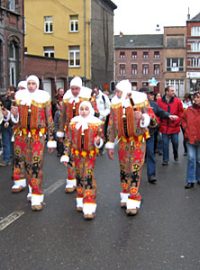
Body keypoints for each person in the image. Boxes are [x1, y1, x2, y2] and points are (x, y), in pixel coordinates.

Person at [10, 75, 56, 211]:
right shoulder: (19, 98)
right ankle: (29, 187)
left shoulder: (44, 98)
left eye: (33, 84)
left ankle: (36, 196)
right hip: (21, 135)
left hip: (37, 136)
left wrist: (51, 138)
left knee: (35, 164)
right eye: (29, 83)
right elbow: (15, 120)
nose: (30, 86)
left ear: (37, 85)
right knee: (22, 162)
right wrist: (14, 115)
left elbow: (49, 119)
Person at [105, 80, 151, 216]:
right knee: (124, 170)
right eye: (116, 91)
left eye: (119, 91)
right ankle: (125, 195)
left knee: (135, 170)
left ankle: (133, 199)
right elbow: (111, 126)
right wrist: (110, 144)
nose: (116, 93)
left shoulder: (140, 101)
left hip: (137, 141)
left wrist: (143, 117)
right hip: (123, 143)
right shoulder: (115, 105)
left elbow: (153, 120)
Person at [61, 101, 104, 219]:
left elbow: (101, 138)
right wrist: (65, 154)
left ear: (90, 110)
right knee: (79, 176)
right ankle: (80, 200)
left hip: (90, 155)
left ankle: (89, 205)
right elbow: (68, 139)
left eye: (86, 109)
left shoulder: (96, 123)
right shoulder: (73, 123)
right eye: (81, 109)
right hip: (76, 155)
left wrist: (98, 141)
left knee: (88, 176)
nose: (83, 111)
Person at [57, 76, 98, 193]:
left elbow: (94, 112)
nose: (74, 91)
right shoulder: (66, 98)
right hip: (70, 131)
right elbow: (63, 116)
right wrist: (60, 131)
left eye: (77, 89)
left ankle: (84, 180)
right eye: (73, 89)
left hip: (84, 131)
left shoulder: (88, 97)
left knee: (82, 156)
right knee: (69, 155)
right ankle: (71, 181)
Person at [140, 88, 178, 184]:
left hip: (150, 134)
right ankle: (135, 176)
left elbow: (160, 112)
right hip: (138, 135)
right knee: (137, 156)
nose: (148, 95)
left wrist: (168, 115)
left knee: (151, 154)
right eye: (146, 93)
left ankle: (151, 175)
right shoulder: (134, 105)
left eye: (149, 94)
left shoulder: (152, 104)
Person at [157, 86, 184, 166]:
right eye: (171, 91)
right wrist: (159, 122)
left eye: (173, 90)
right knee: (165, 143)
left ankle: (175, 154)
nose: (173, 92)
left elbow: (181, 113)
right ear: (166, 92)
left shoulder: (178, 101)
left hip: (174, 126)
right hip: (164, 126)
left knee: (175, 142)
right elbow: (157, 112)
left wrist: (178, 120)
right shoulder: (159, 101)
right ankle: (165, 159)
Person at [182, 91, 200, 189]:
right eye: (195, 97)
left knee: (199, 160)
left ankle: (198, 178)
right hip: (190, 138)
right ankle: (190, 180)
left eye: (198, 97)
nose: (196, 99)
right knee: (191, 159)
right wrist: (186, 129)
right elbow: (183, 120)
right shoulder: (188, 110)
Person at [0, 86, 16, 166]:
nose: (8, 92)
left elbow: (7, 111)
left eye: (10, 90)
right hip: (10, 123)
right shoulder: (11, 99)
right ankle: (9, 157)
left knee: (6, 140)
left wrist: (7, 121)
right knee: (9, 141)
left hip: (7, 122)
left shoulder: (8, 100)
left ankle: (7, 159)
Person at [92, 85, 111, 152]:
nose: (95, 92)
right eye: (94, 91)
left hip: (102, 118)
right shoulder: (91, 98)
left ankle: (101, 148)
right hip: (93, 119)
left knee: (101, 133)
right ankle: (94, 147)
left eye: (96, 90)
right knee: (94, 133)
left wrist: (102, 114)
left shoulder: (103, 97)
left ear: (98, 90)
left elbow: (109, 108)